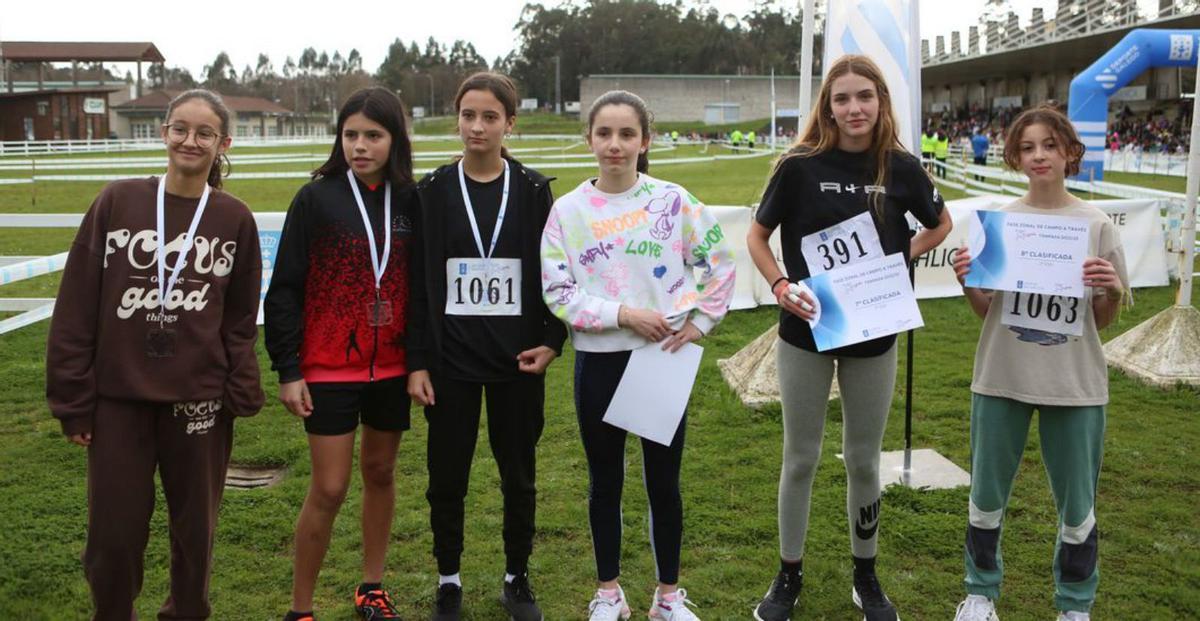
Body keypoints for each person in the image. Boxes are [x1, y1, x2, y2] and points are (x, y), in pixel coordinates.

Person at [745, 54, 952, 621]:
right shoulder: (798, 166)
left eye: (865, 96)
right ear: (827, 106)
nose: (854, 108)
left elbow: (941, 223)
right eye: (842, 98)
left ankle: (867, 574)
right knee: (800, 459)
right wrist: (780, 284)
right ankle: (788, 574)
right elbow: (758, 238)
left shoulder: (902, 166)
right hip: (805, 331)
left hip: (874, 332)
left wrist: (895, 261)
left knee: (863, 460)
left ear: (881, 101)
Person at [46, 88, 264, 620]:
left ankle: (186, 612)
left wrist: (238, 382)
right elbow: (76, 306)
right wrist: (73, 398)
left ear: (223, 142)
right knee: (113, 537)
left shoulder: (234, 218)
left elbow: (238, 318)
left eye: (205, 132)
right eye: (180, 129)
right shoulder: (118, 201)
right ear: (163, 133)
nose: (191, 140)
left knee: (195, 533)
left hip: (199, 403)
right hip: (119, 400)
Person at [540, 89, 736, 621]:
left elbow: (719, 261)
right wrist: (624, 315)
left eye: (627, 134)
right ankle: (609, 593)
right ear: (589, 140)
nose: (615, 145)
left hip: (660, 362)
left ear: (645, 141)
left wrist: (699, 324)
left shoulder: (673, 201)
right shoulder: (568, 211)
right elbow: (558, 293)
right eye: (604, 133)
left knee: (662, 483)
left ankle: (667, 596)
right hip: (599, 362)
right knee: (605, 482)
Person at [950, 104, 1128, 621]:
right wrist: (968, 284)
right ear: (1014, 157)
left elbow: (1103, 320)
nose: (1039, 156)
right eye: (1027, 147)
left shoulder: (1096, 226)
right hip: (1001, 377)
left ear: (1070, 151)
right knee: (985, 499)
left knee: (1077, 510)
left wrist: (1110, 290)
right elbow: (990, 312)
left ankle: (1074, 605)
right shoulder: (1001, 225)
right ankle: (980, 593)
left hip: (1074, 385)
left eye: (1049, 145)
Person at [406, 71, 566, 621]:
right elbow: (419, 284)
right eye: (469, 115)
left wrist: (552, 341)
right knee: (446, 476)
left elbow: (555, 272)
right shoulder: (430, 192)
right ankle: (448, 578)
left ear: (510, 125)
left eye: (490, 117)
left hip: (517, 362)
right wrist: (419, 362)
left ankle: (516, 577)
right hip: (450, 363)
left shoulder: (533, 190)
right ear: (457, 119)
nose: (478, 126)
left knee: (518, 475)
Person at [265, 87, 417, 621]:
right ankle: (300, 609)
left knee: (380, 472)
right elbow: (283, 288)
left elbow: (419, 288)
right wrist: (288, 369)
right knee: (329, 486)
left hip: (392, 367)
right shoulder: (317, 198)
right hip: (328, 366)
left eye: (373, 135)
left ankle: (371, 587)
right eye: (350, 134)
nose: (360, 145)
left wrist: (417, 360)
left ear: (394, 139)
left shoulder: (410, 198)